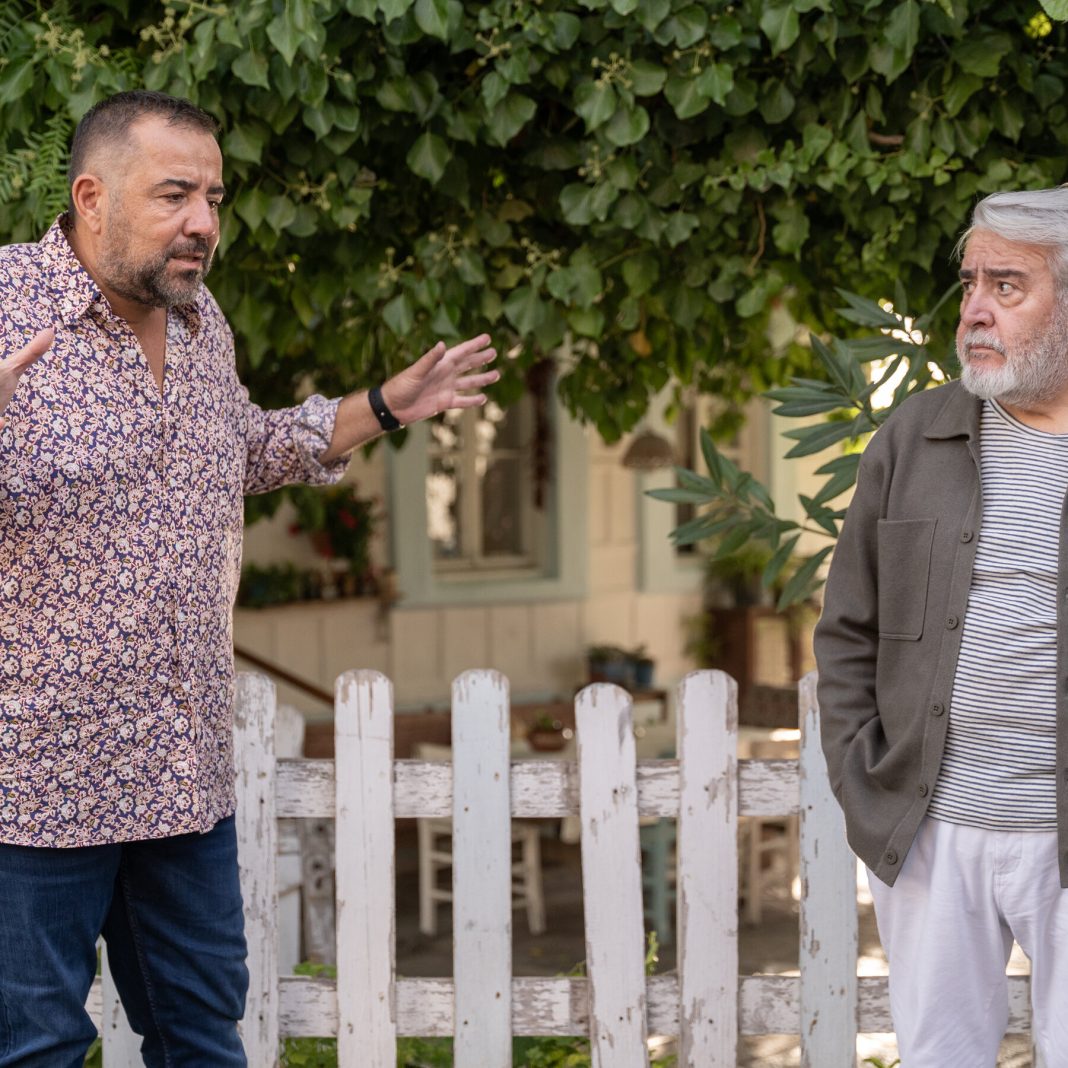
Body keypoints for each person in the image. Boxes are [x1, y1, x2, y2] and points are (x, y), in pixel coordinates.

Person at [0, 90, 497, 1067]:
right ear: (92, 197)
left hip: (181, 778)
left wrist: (381, 408)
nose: (204, 223)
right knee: (35, 1050)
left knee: (203, 1038)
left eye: (215, 198)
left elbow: (246, 449)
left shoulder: (200, 322)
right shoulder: (5, 304)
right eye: (175, 194)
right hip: (33, 785)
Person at [815, 186, 1068, 1066]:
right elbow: (847, 629)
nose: (974, 312)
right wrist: (862, 780)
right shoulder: (914, 436)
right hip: (933, 833)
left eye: (1007, 286)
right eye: (970, 285)